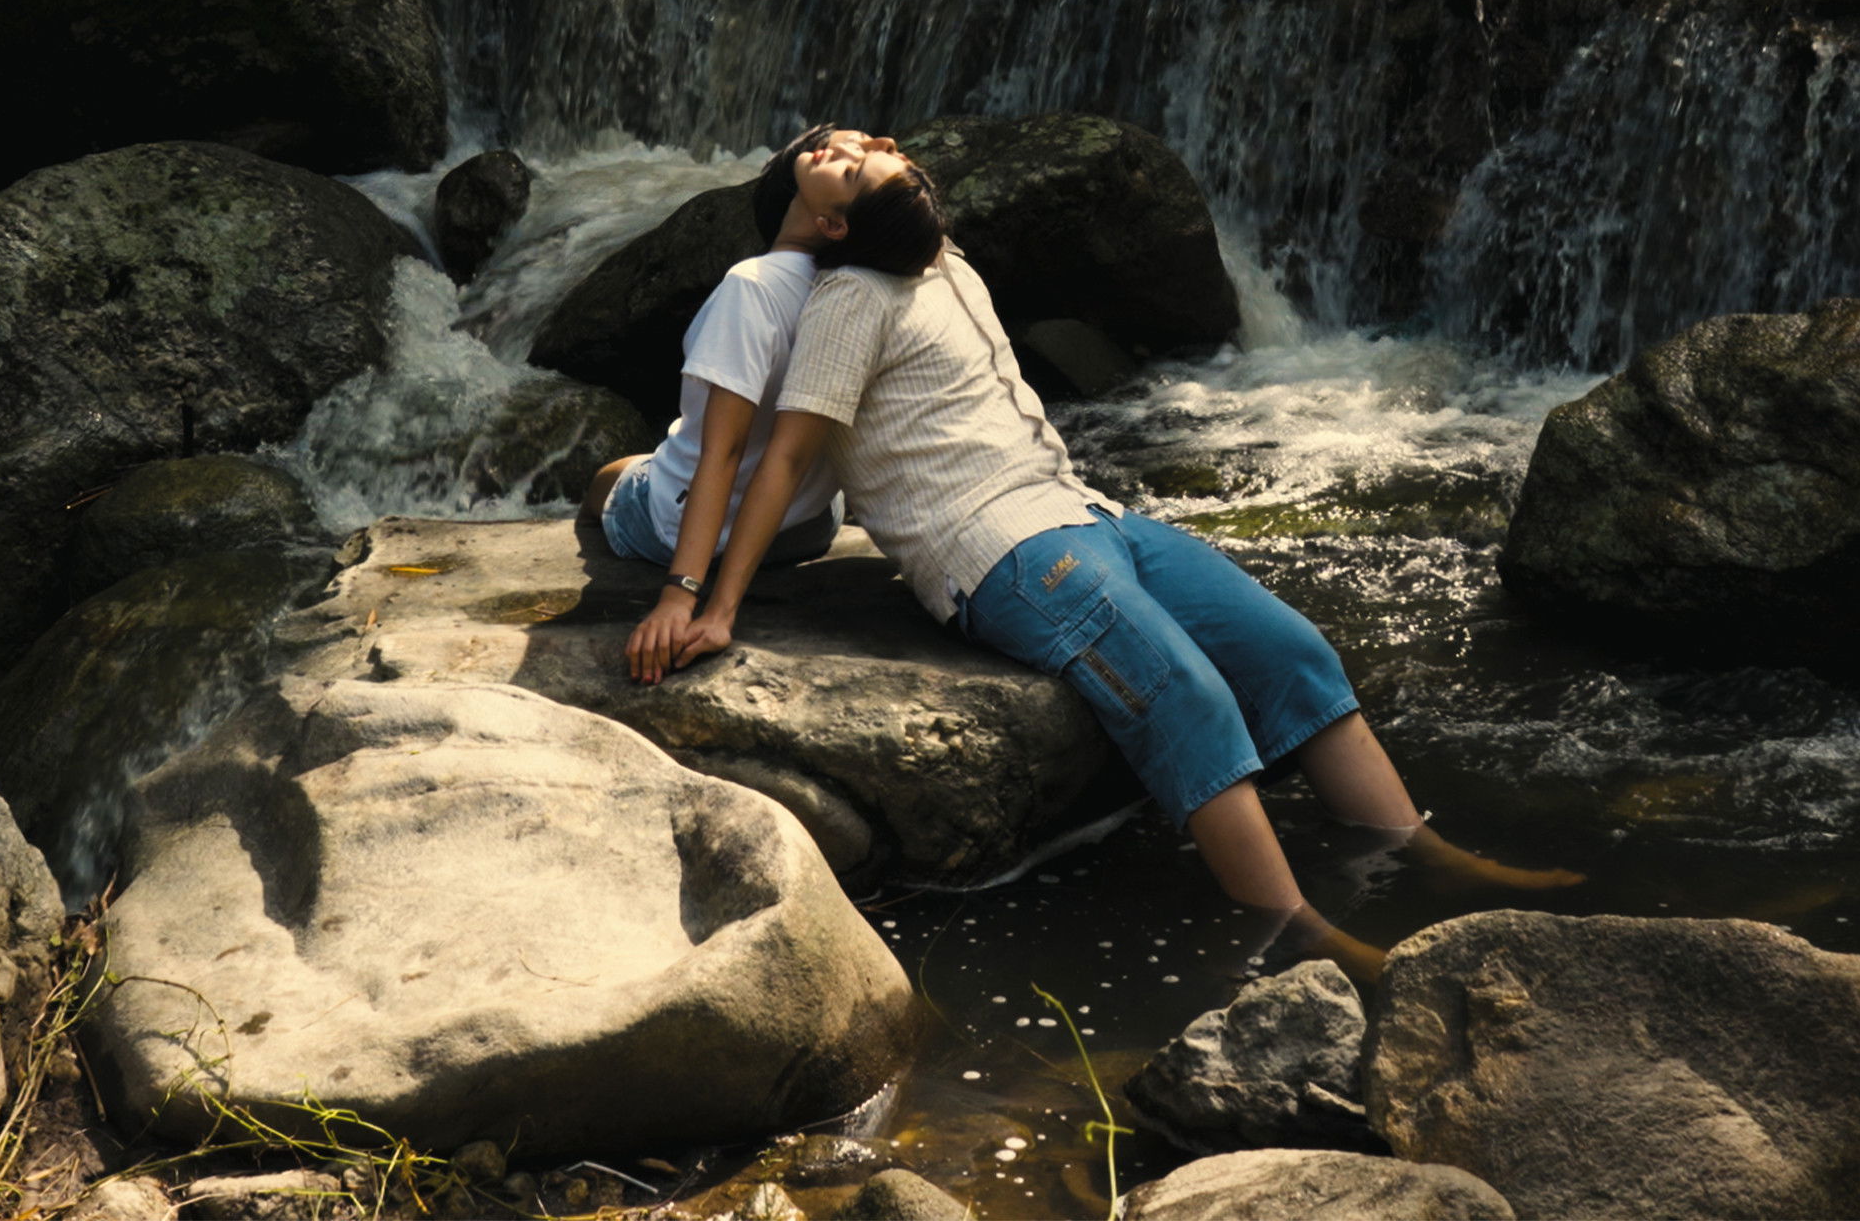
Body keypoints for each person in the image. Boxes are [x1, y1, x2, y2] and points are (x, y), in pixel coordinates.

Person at [627, 132, 1576, 978]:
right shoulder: (846, 300)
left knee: (1293, 650)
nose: (883, 146)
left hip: (1089, 511)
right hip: (1000, 551)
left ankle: (1420, 850)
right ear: (840, 224)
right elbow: (788, 452)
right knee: (1185, 696)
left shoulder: (943, 263)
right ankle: (1296, 932)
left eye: (889, 152)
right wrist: (711, 604)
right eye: (871, 163)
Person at [576, 124, 872, 595]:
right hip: (808, 526)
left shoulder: (751, 287)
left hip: (706, 539)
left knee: (605, 480)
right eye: (824, 147)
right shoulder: (869, 289)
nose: (834, 149)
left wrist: (682, 590)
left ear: (832, 220)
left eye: (849, 159)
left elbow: (725, 452)